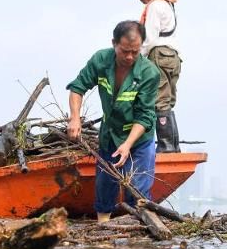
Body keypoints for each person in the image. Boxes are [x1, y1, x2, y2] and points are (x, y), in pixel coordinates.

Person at [67, 21, 160, 223]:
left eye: (135, 52)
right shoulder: (101, 60)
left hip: (139, 138)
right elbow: (77, 88)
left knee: (136, 189)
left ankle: (137, 229)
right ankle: (103, 229)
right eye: (124, 51)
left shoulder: (149, 73)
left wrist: (127, 145)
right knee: (105, 183)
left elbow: (145, 115)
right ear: (114, 44)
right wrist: (75, 118)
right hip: (110, 133)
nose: (129, 57)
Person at [123, 0, 182, 153]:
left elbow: (148, 39)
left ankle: (166, 146)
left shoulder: (155, 6)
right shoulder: (167, 3)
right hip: (173, 57)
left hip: (159, 54)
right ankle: (173, 145)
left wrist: (135, 60)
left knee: (159, 101)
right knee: (167, 101)